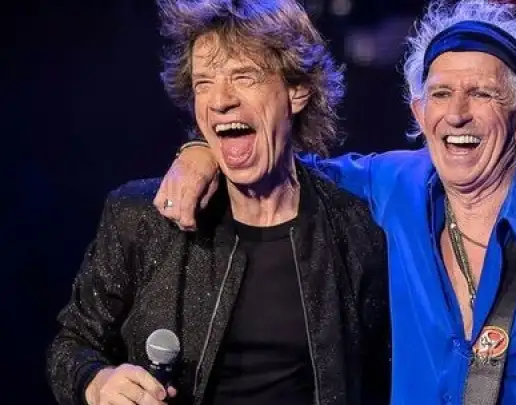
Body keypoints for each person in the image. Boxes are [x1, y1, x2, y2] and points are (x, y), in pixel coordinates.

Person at [156, 1, 516, 404]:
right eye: (441, 94)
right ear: (420, 113)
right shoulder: (395, 187)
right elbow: (279, 167)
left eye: (481, 94)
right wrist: (200, 152)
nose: (457, 114)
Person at [45, 1, 391, 405]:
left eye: (244, 76)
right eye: (204, 83)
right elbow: (71, 345)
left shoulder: (355, 233)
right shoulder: (144, 218)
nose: (219, 100)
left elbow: (381, 376)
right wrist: (97, 381)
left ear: (297, 90)